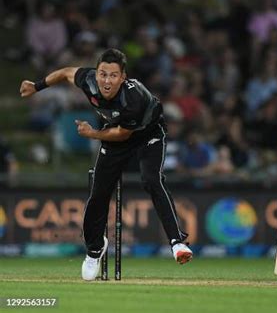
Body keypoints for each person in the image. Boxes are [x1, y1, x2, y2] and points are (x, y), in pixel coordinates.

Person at [20, 48, 193, 281]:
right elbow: (65, 73)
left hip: (146, 135)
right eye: (103, 74)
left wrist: (92, 134)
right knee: (98, 194)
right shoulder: (89, 80)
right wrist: (37, 86)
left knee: (151, 179)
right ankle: (94, 249)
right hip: (113, 136)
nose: (106, 81)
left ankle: (176, 243)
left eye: (113, 76)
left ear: (122, 77)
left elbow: (123, 134)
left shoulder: (134, 97)